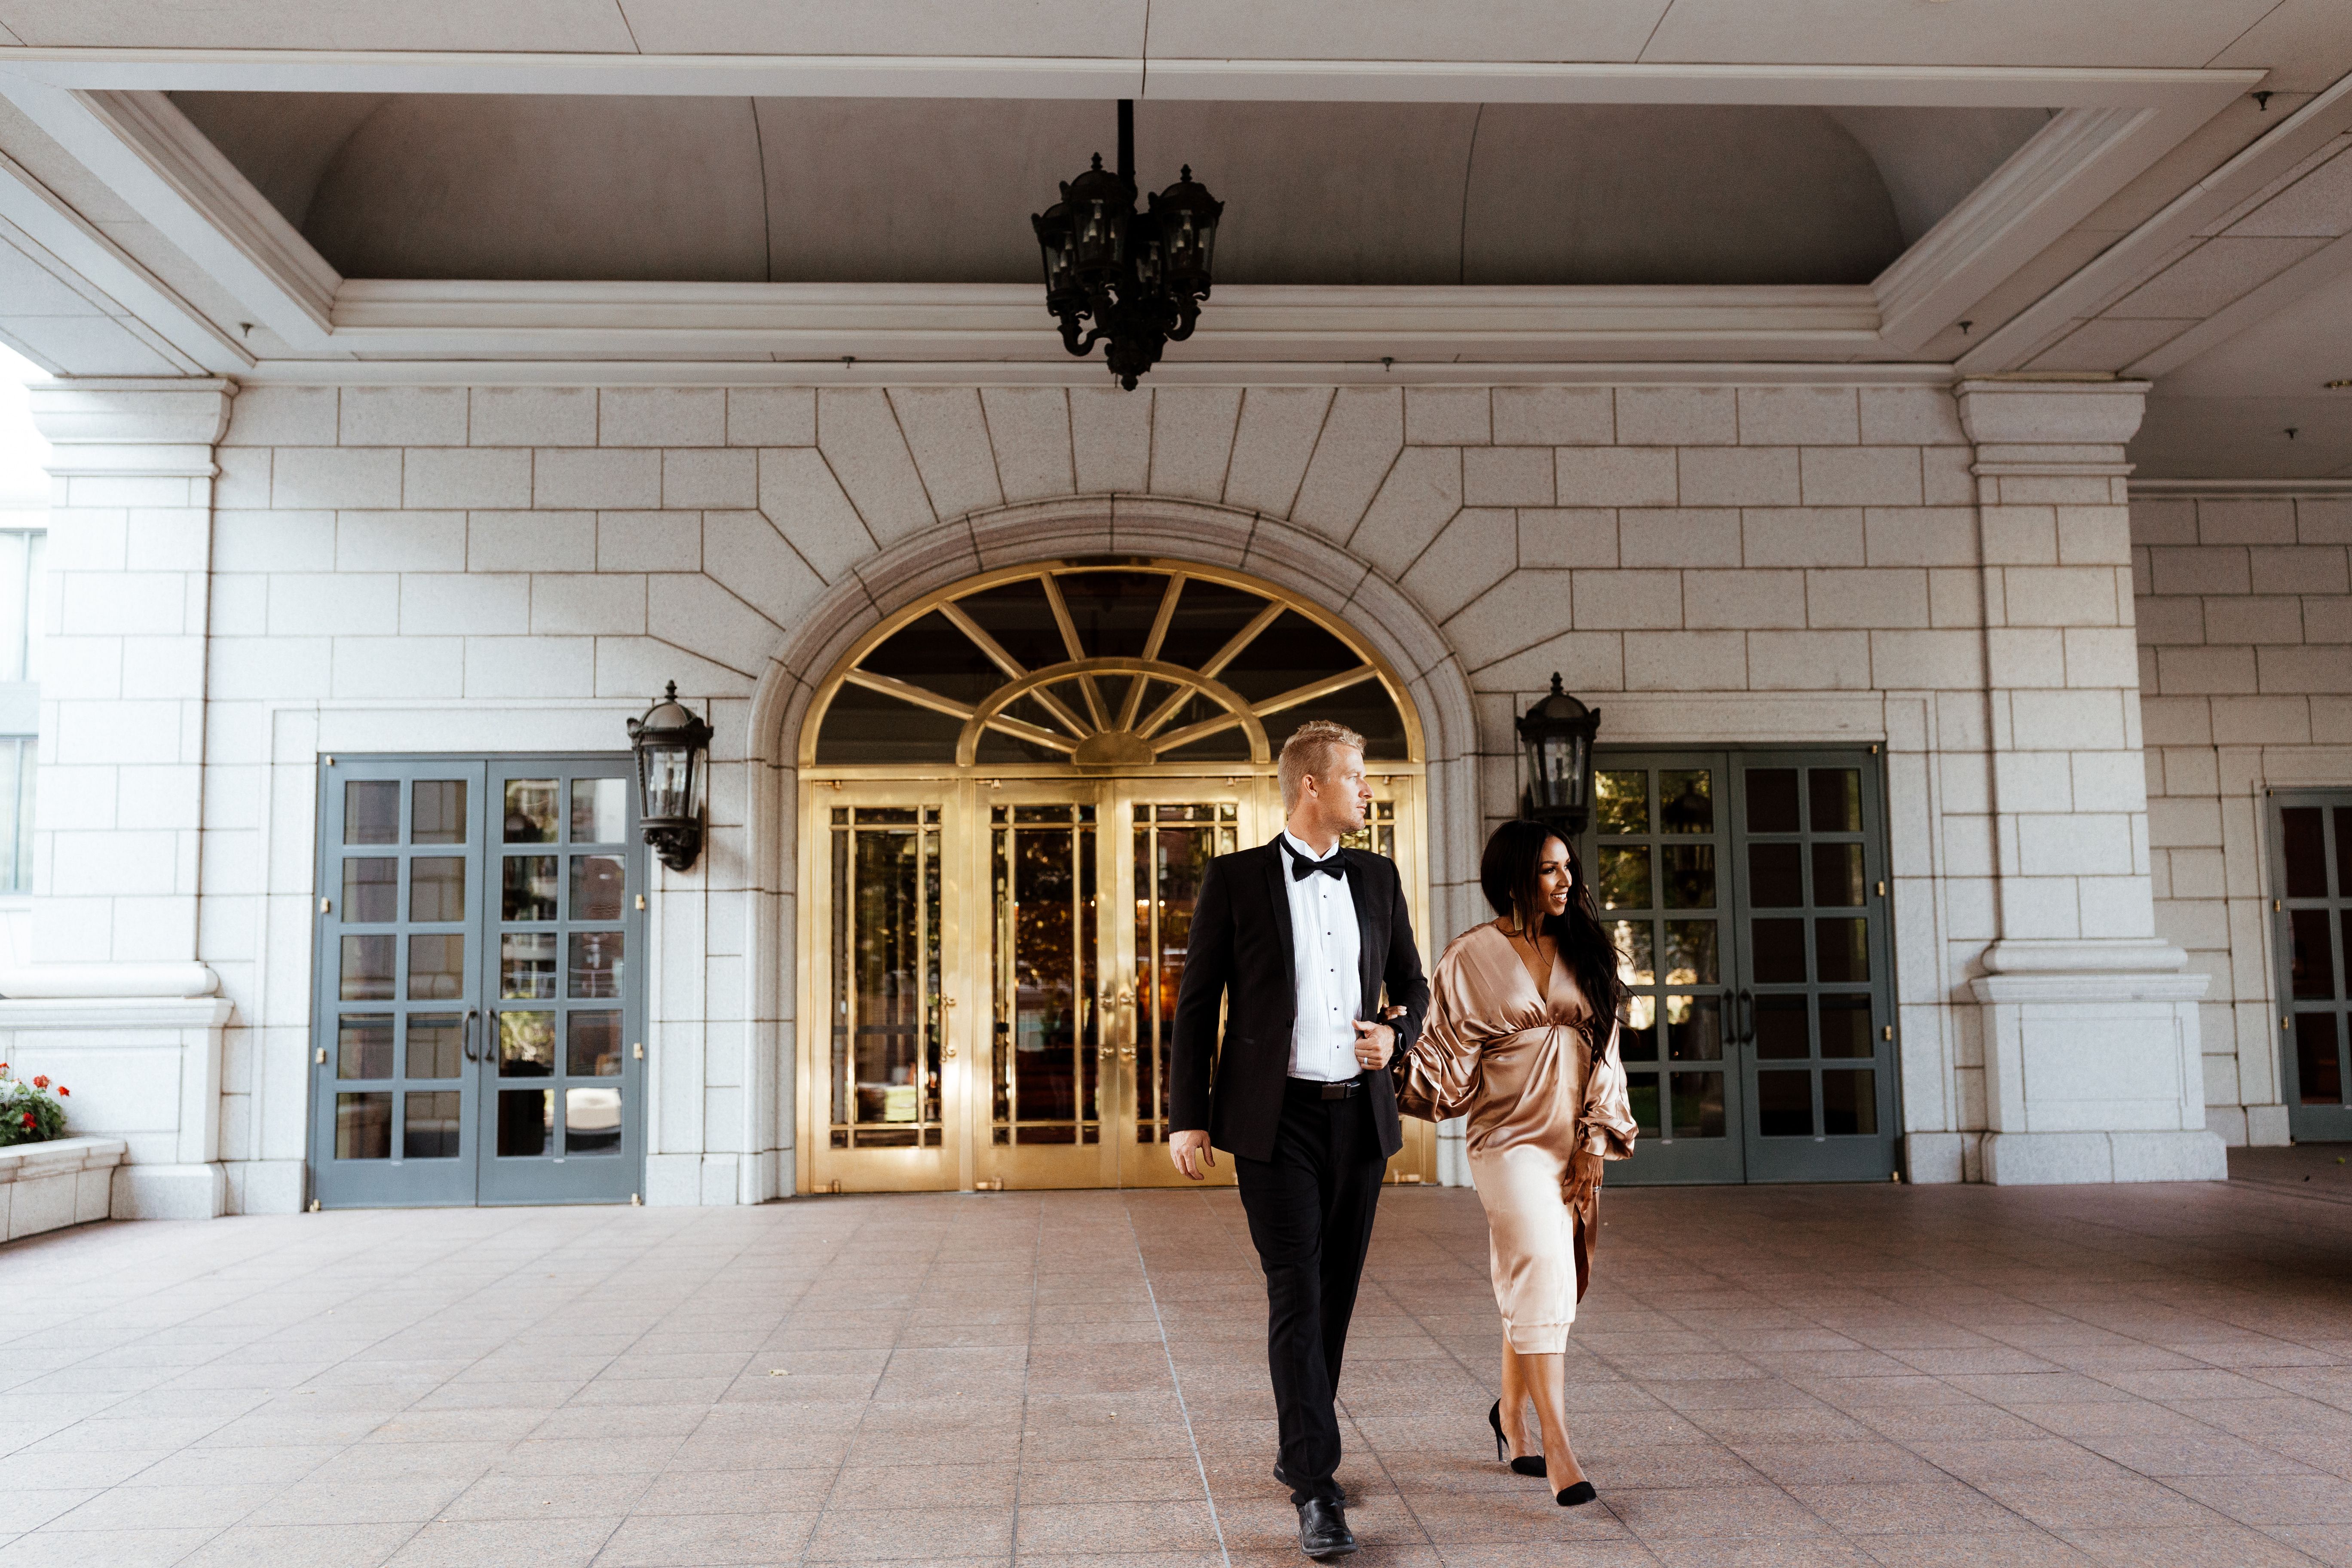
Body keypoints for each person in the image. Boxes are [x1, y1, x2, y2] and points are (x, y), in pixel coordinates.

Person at [1167, 720, 1430, 1562]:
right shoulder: (1237, 879)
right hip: (1273, 1124)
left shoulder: (1380, 877)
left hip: (1358, 1119)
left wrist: (1400, 1037)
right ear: (1312, 785)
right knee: (1296, 1290)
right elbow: (1197, 1003)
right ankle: (1317, 1488)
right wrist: (1187, 1114)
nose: (1368, 790)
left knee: (1335, 1295)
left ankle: (1298, 1442)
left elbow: (1414, 988)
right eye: (1357, 777)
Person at [1392, 819, 1638, 1507]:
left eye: (1569, 869)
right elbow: (1442, 1053)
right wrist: (1389, 1052)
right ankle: (1561, 1449)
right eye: (1549, 870)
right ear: (1514, 877)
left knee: (1534, 1274)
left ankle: (1513, 1417)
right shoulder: (1469, 956)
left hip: (1572, 1140)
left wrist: (1595, 1142)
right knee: (1544, 1265)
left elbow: (1608, 1055)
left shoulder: (1589, 949)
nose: (1566, 882)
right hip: (1506, 1140)